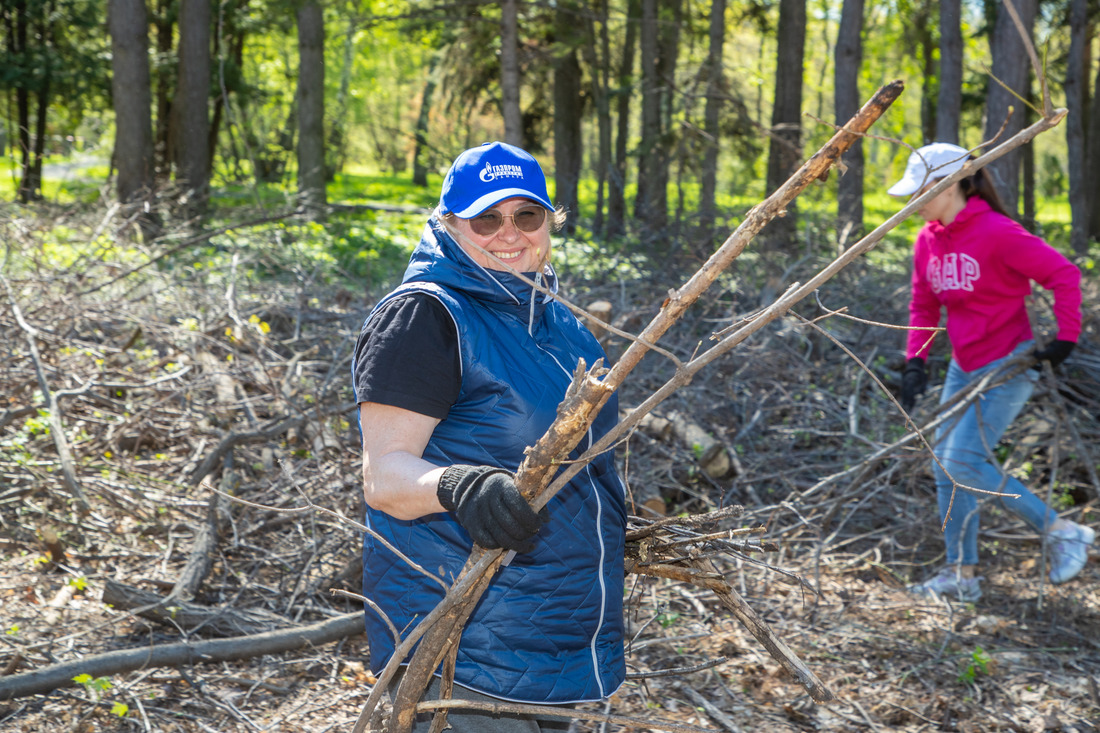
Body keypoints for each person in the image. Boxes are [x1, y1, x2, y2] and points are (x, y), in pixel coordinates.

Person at [351, 141, 626, 732]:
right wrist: (460, 485)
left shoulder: (556, 320)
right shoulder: (427, 317)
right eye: (486, 218)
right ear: (450, 224)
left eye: (526, 215)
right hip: (467, 650)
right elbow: (384, 476)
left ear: (549, 221)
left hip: (560, 639)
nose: (509, 233)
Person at [890, 142, 1094, 602]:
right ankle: (961, 574)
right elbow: (924, 304)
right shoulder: (928, 239)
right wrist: (916, 361)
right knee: (946, 464)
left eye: (921, 190)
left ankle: (1062, 531)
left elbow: (1063, 274)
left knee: (962, 461)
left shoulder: (998, 233)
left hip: (1008, 362)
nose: (913, 200)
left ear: (953, 183)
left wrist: (1066, 338)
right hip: (963, 365)